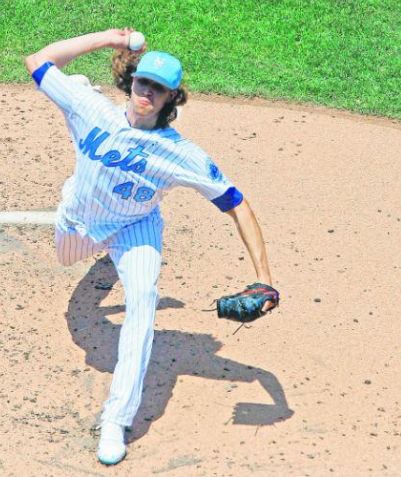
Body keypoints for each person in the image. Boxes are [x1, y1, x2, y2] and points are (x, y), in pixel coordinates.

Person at [24, 28, 278, 466]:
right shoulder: (94, 112)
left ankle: (115, 420)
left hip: (135, 228)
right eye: (143, 82)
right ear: (132, 81)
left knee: (142, 301)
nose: (147, 92)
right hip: (78, 223)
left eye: (158, 89)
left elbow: (236, 203)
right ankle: (97, 259)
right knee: (67, 258)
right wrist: (108, 38)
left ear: (170, 99)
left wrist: (265, 278)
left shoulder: (181, 155)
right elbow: (38, 60)